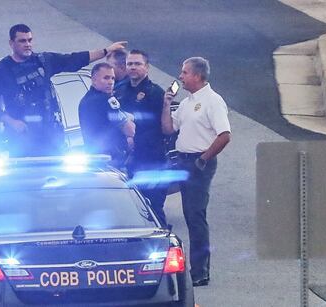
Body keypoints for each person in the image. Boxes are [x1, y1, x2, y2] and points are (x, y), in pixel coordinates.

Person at [0, 23, 127, 157]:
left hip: (52, 137)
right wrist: (12, 122)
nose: (27, 44)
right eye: (22, 41)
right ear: (11, 43)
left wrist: (106, 51)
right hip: (22, 140)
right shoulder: (1, 71)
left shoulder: (43, 61)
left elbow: (74, 59)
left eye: (30, 40)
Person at [161, 57, 231, 287]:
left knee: (195, 216)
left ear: (198, 76)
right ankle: (195, 269)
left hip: (199, 163)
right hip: (182, 161)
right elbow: (168, 128)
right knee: (188, 213)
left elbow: (224, 135)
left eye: (184, 72)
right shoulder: (186, 103)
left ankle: (200, 271)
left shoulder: (213, 101)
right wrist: (166, 103)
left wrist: (203, 159)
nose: (180, 77)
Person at [116, 49, 168, 225]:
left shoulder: (156, 94)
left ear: (147, 67)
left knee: (153, 207)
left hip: (151, 159)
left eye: (137, 64)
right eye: (130, 64)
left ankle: (165, 246)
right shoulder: (120, 90)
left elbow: (161, 128)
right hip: (127, 160)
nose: (132, 67)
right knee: (131, 209)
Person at [79, 63, 135, 166]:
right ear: (94, 80)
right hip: (111, 159)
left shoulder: (85, 100)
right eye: (106, 78)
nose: (110, 82)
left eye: (113, 78)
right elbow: (130, 130)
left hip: (94, 158)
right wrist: (130, 120)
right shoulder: (107, 100)